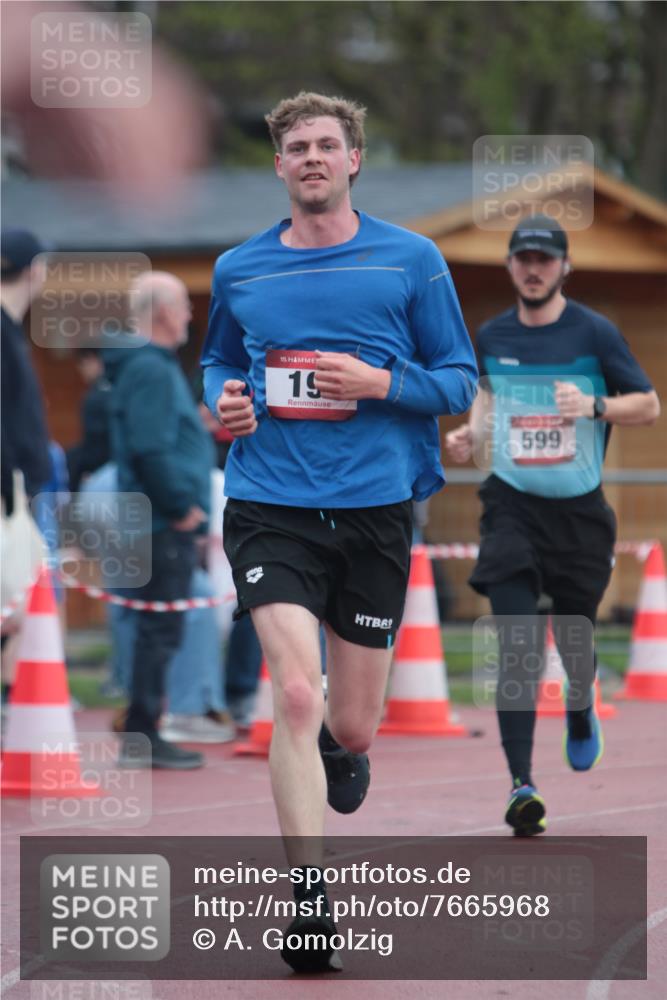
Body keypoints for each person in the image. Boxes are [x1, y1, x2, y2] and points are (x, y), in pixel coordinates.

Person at [202, 91, 477, 972]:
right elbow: (215, 358)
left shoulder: (412, 260)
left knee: (351, 726)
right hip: (267, 504)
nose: (312, 157)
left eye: (327, 144)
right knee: (291, 693)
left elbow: (458, 381)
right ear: (278, 166)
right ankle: (310, 906)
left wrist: (378, 384)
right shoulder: (239, 269)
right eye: (296, 147)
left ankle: (336, 750)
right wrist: (225, 401)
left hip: (374, 511)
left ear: (353, 159)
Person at [446, 214, 660, 838]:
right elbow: (489, 402)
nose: (533, 269)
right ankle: (521, 785)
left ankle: (581, 699)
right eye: (523, 259)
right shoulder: (492, 334)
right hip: (511, 507)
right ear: (511, 266)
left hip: (580, 516)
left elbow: (648, 404)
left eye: (545, 259)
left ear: (564, 266)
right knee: (516, 643)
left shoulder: (594, 332)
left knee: (574, 640)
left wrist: (593, 404)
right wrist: (471, 432)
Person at [109, 271, 215, 770]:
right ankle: (143, 734)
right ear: (165, 312)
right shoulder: (150, 369)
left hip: (156, 519)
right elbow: (150, 447)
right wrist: (180, 508)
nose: (191, 316)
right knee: (159, 629)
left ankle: (142, 728)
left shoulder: (151, 367)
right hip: (158, 522)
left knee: (158, 627)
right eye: (185, 307)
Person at [66, 348, 112, 492]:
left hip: (103, 474)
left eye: (82, 364)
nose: (81, 371)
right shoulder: (121, 387)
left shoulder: (96, 398)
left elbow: (95, 446)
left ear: (92, 360)